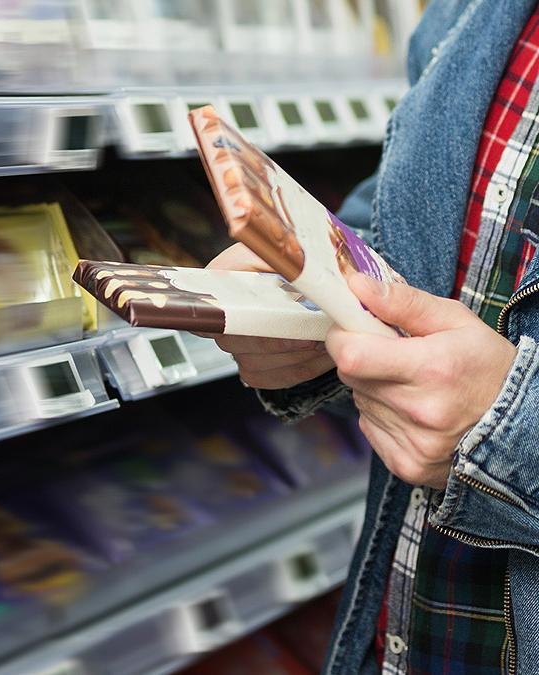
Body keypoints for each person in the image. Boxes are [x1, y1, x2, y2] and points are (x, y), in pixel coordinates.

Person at [207, 2, 539, 672]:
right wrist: (305, 300)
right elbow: (404, 221)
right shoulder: (471, 13)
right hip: (406, 631)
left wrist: (510, 433)